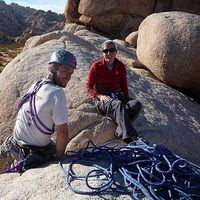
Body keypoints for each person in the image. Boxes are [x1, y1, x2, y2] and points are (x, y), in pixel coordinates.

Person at [0, 48, 76, 173]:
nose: (68, 77)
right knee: (50, 147)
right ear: (52, 69)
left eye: (71, 73)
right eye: (65, 71)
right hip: (31, 153)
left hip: (13, 144)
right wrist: (59, 159)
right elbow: (63, 132)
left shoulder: (37, 84)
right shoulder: (57, 93)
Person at [86, 40, 142, 144]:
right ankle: (130, 137)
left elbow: (124, 86)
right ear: (102, 52)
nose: (108, 53)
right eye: (106, 50)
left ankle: (119, 130)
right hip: (103, 99)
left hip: (117, 95)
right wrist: (99, 96)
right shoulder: (96, 66)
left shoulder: (120, 66)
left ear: (116, 52)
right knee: (118, 104)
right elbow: (88, 86)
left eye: (111, 50)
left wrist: (126, 100)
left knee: (136, 104)